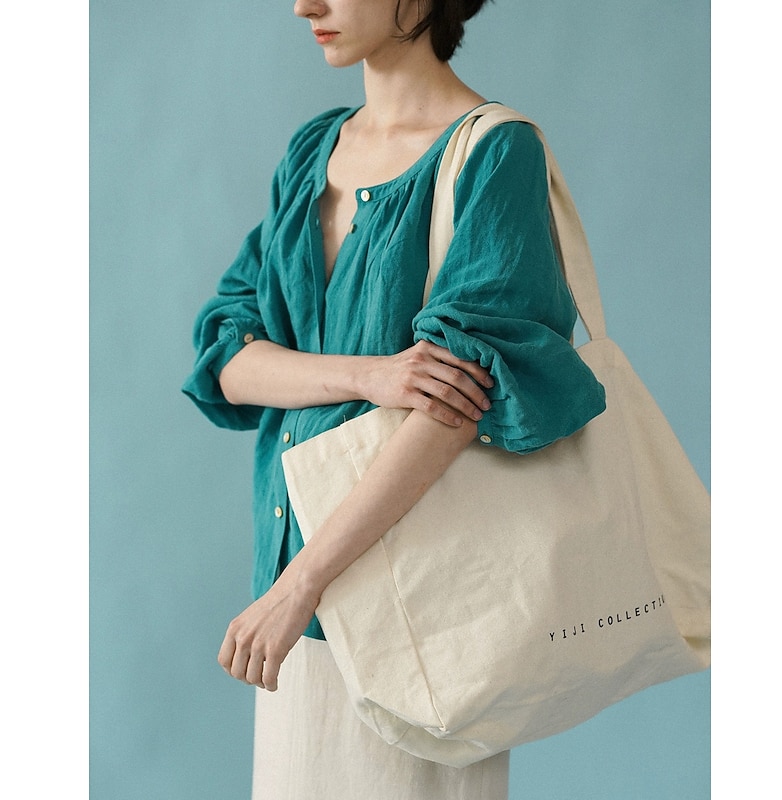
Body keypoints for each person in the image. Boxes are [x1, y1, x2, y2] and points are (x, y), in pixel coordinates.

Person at [182, 1, 606, 797]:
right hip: (293, 606)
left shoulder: (494, 152)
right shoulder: (313, 150)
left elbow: (457, 400)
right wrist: (370, 375)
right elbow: (229, 358)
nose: (305, 5)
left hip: (417, 604)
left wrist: (302, 581)